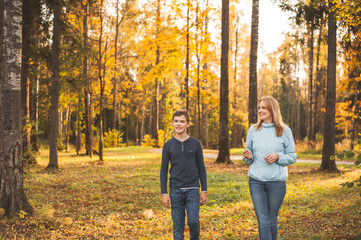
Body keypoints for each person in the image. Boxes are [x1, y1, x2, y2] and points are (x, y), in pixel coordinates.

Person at [243, 96, 297, 240]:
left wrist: (278, 156)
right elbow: (248, 158)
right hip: (256, 182)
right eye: (259, 108)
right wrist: (248, 156)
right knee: (263, 220)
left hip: (277, 183)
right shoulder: (253, 130)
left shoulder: (284, 131)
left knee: (271, 219)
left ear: (272, 109)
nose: (260, 111)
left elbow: (292, 157)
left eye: (263, 108)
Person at [160, 109, 207, 240]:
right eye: (176, 121)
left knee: (193, 221)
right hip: (175, 190)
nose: (178, 124)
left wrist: (204, 190)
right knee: (178, 227)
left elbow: (201, 168)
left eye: (182, 121)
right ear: (172, 123)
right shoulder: (168, 145)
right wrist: (164, 193)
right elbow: (163, 170)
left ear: (188, 124)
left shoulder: (195, 143)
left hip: (193, 189)